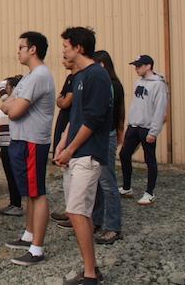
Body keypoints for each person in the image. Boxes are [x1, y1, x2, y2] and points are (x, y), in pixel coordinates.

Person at [54, 27, 112, 284]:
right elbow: (75, 117)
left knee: (77, 211)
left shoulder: (97, 76)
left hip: (87, 155)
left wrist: (71, 149)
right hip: (75, 153)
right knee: (79, 212)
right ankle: (91, 269)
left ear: (79, 47)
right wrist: (63, 143)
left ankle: (91, 273)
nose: (64, 50)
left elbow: (93, 119)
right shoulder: (79, 76)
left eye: (66, 45)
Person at [1, 31, 55, 266]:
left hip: (32, 140)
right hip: (22, 138)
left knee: (37, 192)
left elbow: (13, 110)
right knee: (30, 192)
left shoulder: (39, 76)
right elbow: (7, 104)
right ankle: (29, 234)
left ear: (33, 49)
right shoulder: (28, 77)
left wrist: (10, 105)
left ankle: (37, 249)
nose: (18, 51)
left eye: (21, 47)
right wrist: (10, 105)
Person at [119, 54, 168, 206]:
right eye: (135, 66)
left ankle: (150, 193)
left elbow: (160, 109)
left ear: (148, 66)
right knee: (124, 154)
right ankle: (127, 188)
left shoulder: (158, 85)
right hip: (134, 126)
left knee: (149, 159)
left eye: (139, 66)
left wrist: (153, 131)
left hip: (147, 128)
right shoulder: (138, 82)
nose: (136, 69)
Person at [90, 50, 124, 244]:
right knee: (97, 182)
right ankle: (96, 220)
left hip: (105, 137)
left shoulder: (112, 85)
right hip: (102, 137)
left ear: (102, 65)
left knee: (107, 183)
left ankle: (113, 227)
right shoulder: (110, 84)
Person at [51, 58, 78, 227]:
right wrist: (63, 100)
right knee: (65, 172)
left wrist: (64, 100)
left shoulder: (80, 78)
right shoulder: (70, 78)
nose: (63, 59)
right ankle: (70, 210)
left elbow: (66, 101)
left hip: (72, 126)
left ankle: (75, 214)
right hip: (64, 124)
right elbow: (60, 100)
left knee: (74, 173)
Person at [0, 75, 24, 216]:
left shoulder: (17, 102)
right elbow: (2, 126)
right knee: (9, 175)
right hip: (5, 142)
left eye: (7, 88)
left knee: (14, 175)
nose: (4, 90)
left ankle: (17, 204)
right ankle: (14, 203)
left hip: (13, 142)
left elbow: (4, 100)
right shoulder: (10, 102)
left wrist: (1, 87)